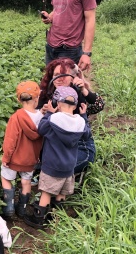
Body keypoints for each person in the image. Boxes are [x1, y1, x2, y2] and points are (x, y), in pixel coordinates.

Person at [24, 86, 90, 228]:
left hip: (52, 165)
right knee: (61, 192)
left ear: (58, 104)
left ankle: (38, 218)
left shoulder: (53, 120)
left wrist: (48, 114)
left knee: (47, 192)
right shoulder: (80, 122)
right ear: (76, 106)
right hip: (69, 166)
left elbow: (41, 129)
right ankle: (56, 216)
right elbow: (87, 134)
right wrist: (84, 116)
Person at [38, 57, 104, 175]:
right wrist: (42, 113)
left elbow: (98, 106)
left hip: (78, 145)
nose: (59, 78)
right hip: (54, 146)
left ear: (73, 78)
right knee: (47, 165)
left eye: (64, 75)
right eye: (56, 74)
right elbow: (38, 126)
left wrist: (84, 90)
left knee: (65, 166)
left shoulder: (76, 94)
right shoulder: (47, 94)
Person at [0, 81, 44, 219]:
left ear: (19, 99)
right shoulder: (43, 118)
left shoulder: (16, 117)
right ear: (37, 97)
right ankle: (22, 210)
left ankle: (8, 209)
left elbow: (10, 141)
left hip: (14, 158)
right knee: (26, 182)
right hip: (30, 159)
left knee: (6, 179)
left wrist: (6, 158)